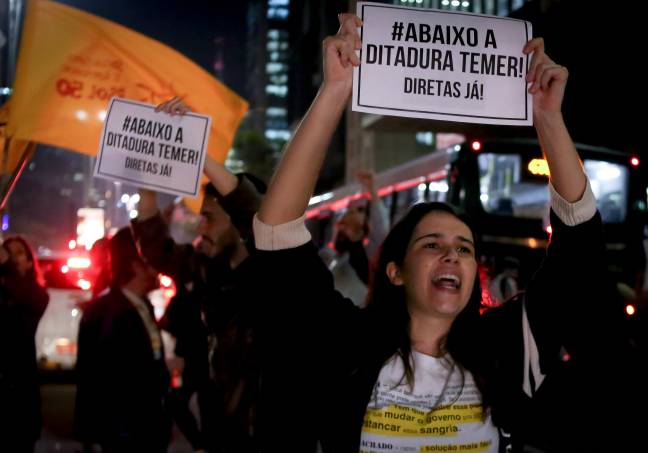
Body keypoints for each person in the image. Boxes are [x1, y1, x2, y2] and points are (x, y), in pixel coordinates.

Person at [251, 13, 642, 452]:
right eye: (432, 244)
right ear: (395, 271)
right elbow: (277, 233)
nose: (452, 256)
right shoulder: (348, 346)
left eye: (464, 248)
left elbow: (578, 248)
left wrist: (548, 119)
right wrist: (335, 90)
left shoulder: (505, 349)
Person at [131, 96, 265, 453]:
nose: (200, 227)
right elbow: (155, 246)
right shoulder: (208, 266)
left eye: (210, 217)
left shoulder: (277, 272)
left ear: (240, 224)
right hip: (218, 431)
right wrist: (149, 174)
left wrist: (197, 148)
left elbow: (249, 206)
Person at [74, 227, 170, 453]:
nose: (157, 269)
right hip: (123, 431)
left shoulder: (141, 304)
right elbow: (93, 376)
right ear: (136, 266)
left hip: (147, 425)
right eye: (150, 262)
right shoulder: (105, 311)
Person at [0, 209, 49, 453]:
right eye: (8, 253)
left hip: (14, 397)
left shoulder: (36, 296)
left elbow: (22, 297)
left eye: (18, 254)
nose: (12, 258)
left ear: (29, 262)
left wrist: (5, 262)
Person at [319, 170, 390, 307]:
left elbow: (380, 223)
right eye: (349, 211)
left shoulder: (371, 251)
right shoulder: (334, 256)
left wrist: (372, 189)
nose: (352, 212)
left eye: (359, 211)